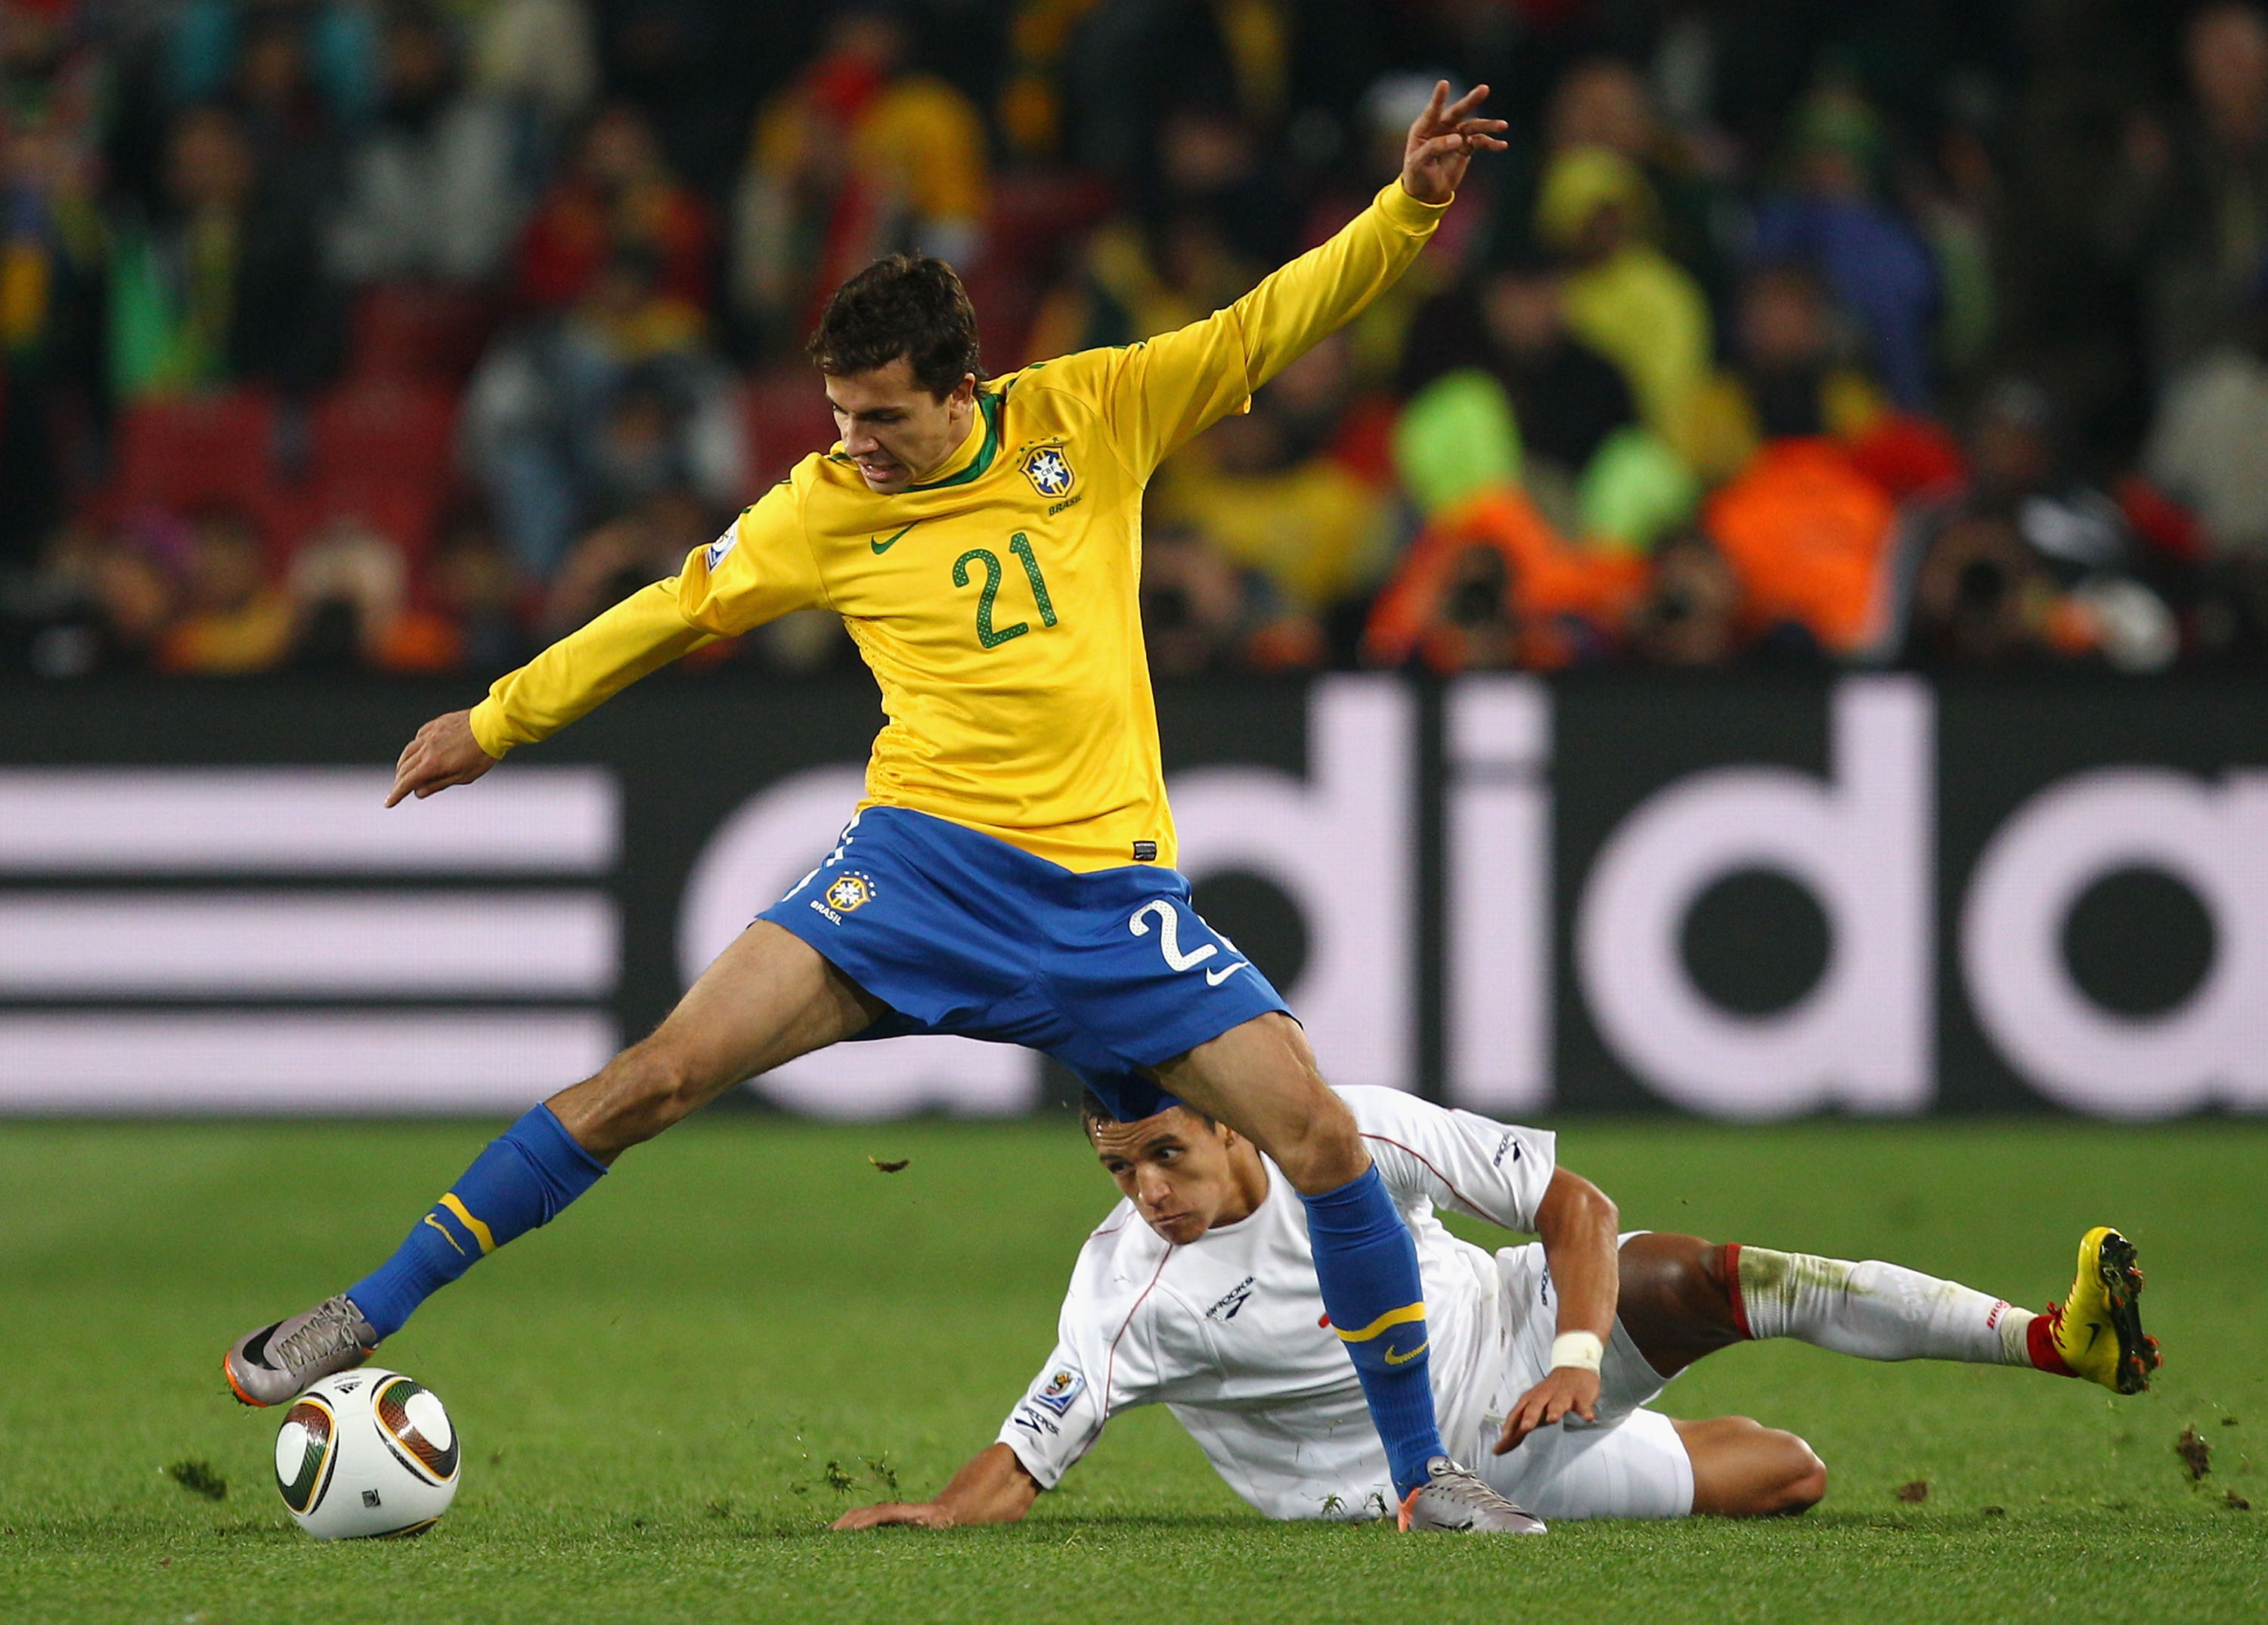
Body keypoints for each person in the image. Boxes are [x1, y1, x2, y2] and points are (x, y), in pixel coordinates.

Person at [222, 82, 1535, 1535]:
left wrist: (1407, 206)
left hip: (1109, 901)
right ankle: (369, 1305)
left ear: (961, 389)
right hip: (913, 875)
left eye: (886, 419)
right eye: (842, 416)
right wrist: (493, 718)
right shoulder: (820, 504)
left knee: (1329, 1148)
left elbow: (1270, 321)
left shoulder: (1090, 412)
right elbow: (669, 613)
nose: (858, 445)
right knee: (652, 1079)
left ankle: (1425, 1481)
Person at [832, 1090, 2158, 1531]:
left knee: (1705, 1271)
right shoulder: (1126, 1291)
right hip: (1447, 1469)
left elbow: (1573, 1204)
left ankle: (2051, 1336)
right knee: (1794, 1476)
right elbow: (1031, 1446)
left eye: (1164, 1155)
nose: (1147, 1190)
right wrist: (945, 1510)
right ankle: (1653, 1439)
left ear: (1228, 1123)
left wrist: (1578, 1348)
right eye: (1117, 1166)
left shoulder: (1342, 1129)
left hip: (1519, 1328)